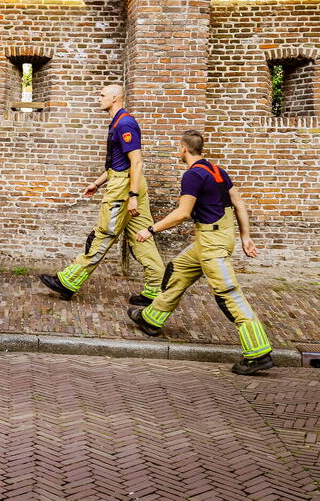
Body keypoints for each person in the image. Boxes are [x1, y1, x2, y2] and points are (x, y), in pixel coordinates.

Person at [128, 129, 274, 375]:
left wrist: (150, 230)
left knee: (228, 294)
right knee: (178, 270)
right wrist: (245, 237)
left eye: (179, 147)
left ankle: (258, 351)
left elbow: (183, 213)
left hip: (212, 244)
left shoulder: (192, 176)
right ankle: (152, 318)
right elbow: (238, 203)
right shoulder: (217, 170)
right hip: (215, 238)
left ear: (183, 149)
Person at [39, 85, 165, 305]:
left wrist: (132, 195)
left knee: (103, 235)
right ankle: (156, 289)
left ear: (115, 98)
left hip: (125, 189)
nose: (99, 98)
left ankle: (69, 281)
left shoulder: (125, 123)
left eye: (102, 95)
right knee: (142, 236)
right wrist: (97, 183)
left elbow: (136, 161)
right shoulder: (117, 122)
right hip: (125, 182)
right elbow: (119, 163)